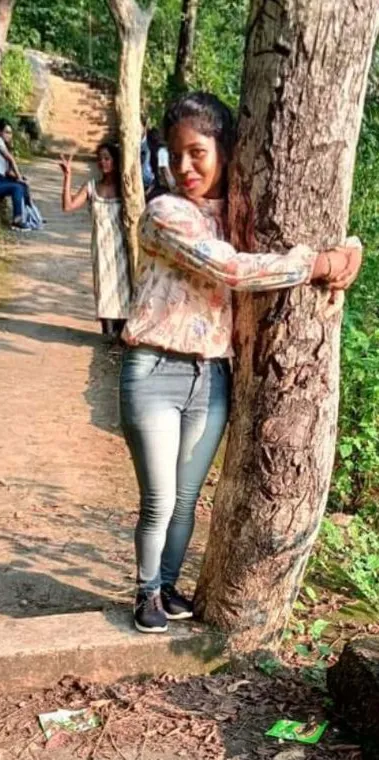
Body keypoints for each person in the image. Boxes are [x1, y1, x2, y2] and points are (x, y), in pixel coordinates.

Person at [119, 91, 362, 634]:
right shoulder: (163, 214)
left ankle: (168, 586)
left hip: (211, 376)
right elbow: (232, 269)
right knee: (159, 497)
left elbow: (308, 230)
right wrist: (316, 263)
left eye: (198, 153)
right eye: (176, 154)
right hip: (154, 371)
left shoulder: (234, 211)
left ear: (224, 151)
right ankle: (145, 594)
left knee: (185, 499)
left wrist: (352, 245)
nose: (184, 166)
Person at [60, 141, 131, 339]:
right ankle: (107, 335)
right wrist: (67, 177)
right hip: (101, 248)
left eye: (107, 158)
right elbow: (68, 206)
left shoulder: (126, 189)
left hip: (122, 248)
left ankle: (123, 334)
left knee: (124, 289)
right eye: (100, 159)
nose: (102, 162)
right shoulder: (91, 187)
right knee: (104, 290)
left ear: (116, 161)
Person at [0, 118, 43, 230]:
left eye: (10, 133)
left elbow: (7, 170)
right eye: (6, 132)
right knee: (19, 186)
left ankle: (31, 215)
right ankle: (18, 219)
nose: (9, 135)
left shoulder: (3, 144)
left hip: (1, 176)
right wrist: (19, 178)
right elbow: (10, 160)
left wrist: (19, 177)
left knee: (23, 184)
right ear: (0, 132)